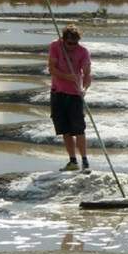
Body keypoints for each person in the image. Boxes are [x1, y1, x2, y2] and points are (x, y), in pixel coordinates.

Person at [48, 24, 92, 173]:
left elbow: (87, 75)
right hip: (57, 93)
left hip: (74, 94)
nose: (72, 46)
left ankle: (85, 161)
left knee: (79, 129)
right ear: (64, 39)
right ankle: (73, 161)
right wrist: (67, 76)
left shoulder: (83, 52)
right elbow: (52, 69)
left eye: (75, 43)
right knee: (64, 129)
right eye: (69, 43)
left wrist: (84, 89)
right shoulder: (55, 46)